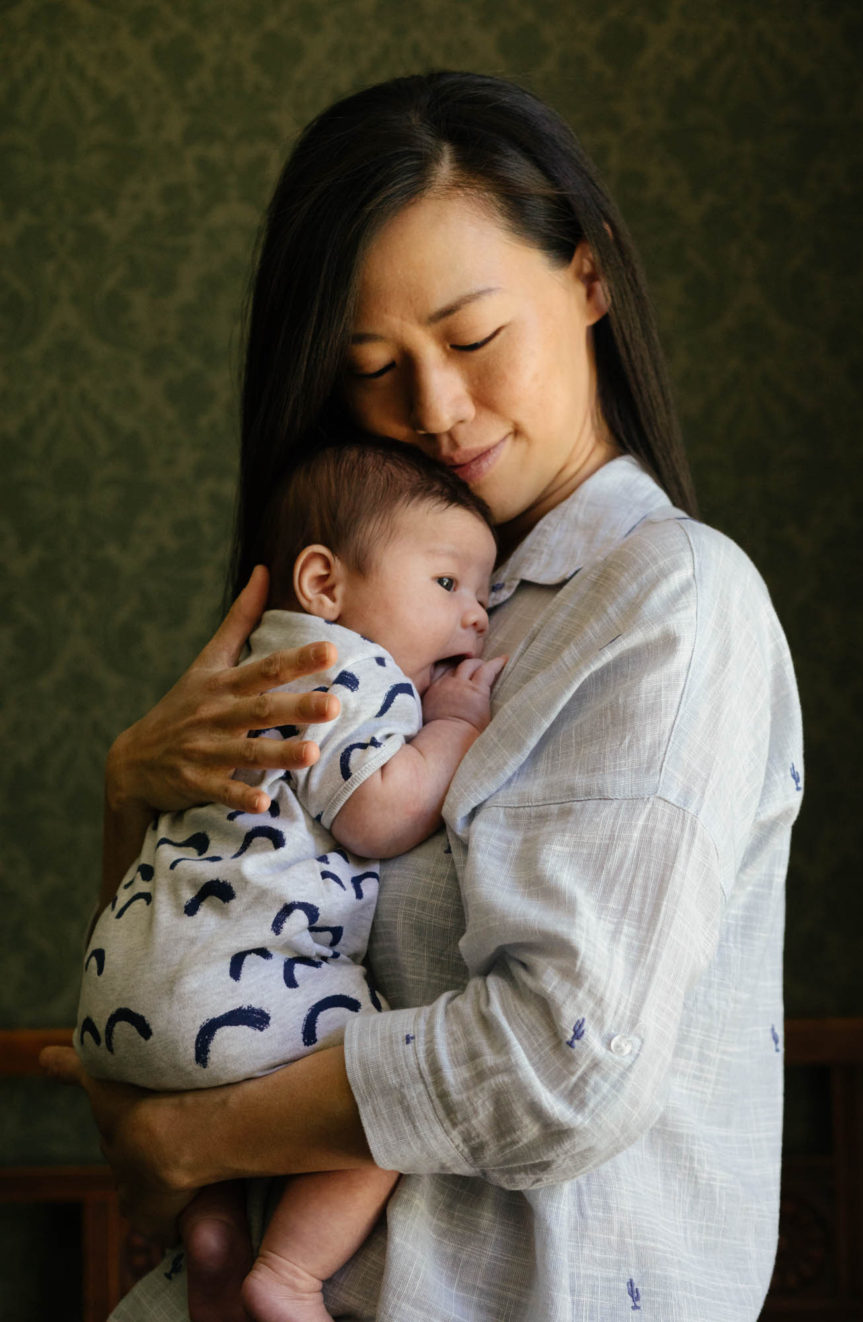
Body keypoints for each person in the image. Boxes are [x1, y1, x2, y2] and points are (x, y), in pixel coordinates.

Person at [42, 71, 804, 1321]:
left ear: (589, 276)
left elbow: (560, 1062)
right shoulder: (388, 606)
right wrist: (131, 790)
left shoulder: (668, 599)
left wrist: (188, 1144)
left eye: (471, 336)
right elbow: (204, 935)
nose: (434, 409)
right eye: (372, 365)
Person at [76, 438, 503, 1322]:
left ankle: (216, 1229)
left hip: (127, 995)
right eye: (447, 584)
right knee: (392, 1091)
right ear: (324, 584)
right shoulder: (349, 670)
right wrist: (453, 724)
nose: (476, 618)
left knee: (223, 1072)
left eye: (483, 594)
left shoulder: (233, 672)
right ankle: (290, 1273)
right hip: (229, 995)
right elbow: (378, 816)